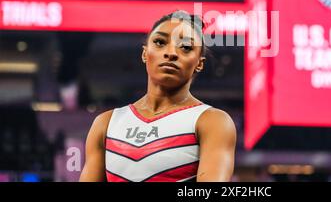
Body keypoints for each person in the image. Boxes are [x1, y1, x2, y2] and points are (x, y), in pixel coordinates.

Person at [79, 11, 236, 182]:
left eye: (185, 47)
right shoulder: (106, 123)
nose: (171, 53)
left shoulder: (212, 122)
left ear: (199, 63)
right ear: (145, 54)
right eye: (160, 42)